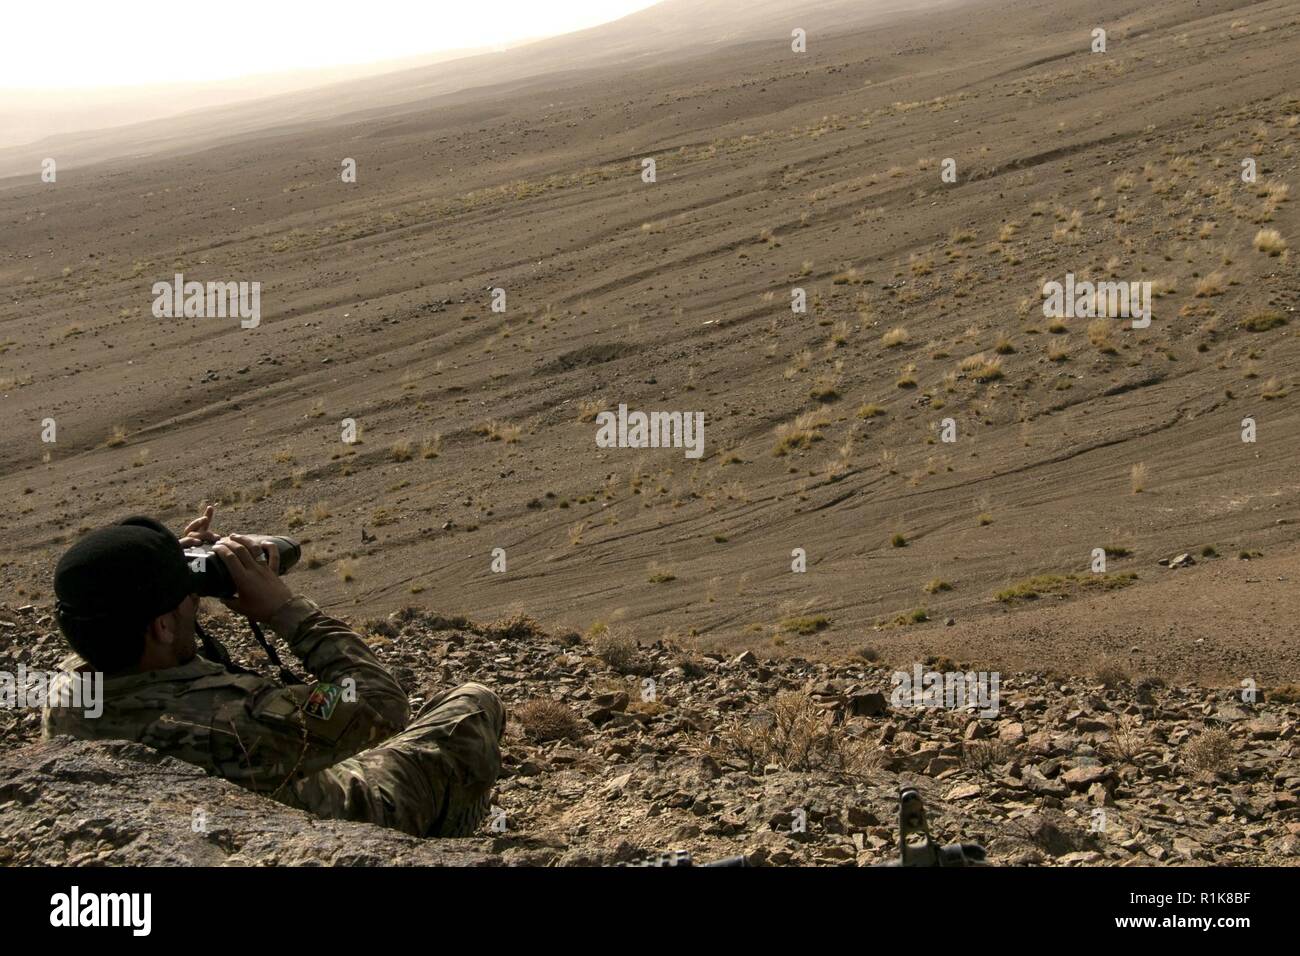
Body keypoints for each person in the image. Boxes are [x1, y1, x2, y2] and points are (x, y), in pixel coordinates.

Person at [43, 506, 504, 838]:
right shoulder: (238, 719)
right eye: (189, 597)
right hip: (317, 825)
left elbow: (122, 619)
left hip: (209, 807)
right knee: (472, 703)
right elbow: (381, 705)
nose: (196, 598)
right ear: (162, 626)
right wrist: (286, 611)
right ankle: (447, 837)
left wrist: (164, 567)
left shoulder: (73, 687)